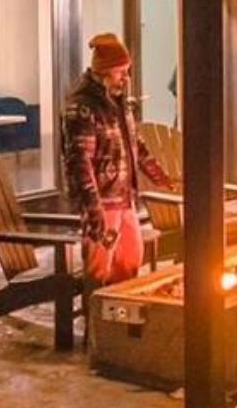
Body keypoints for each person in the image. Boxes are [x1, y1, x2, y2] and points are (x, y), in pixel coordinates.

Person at [63, 32, 174, 285]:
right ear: (103, 72)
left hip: (125, 200)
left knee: (131, 260)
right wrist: (94, 210)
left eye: (127, 71)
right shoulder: (82, 108)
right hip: (103, 203)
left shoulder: (120, 104)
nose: (126, 78)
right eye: (121, 71)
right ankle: (97, 321)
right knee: (99, 271)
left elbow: (137, 147)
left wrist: (161, 178)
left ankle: (124, 320)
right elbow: (79, 162)